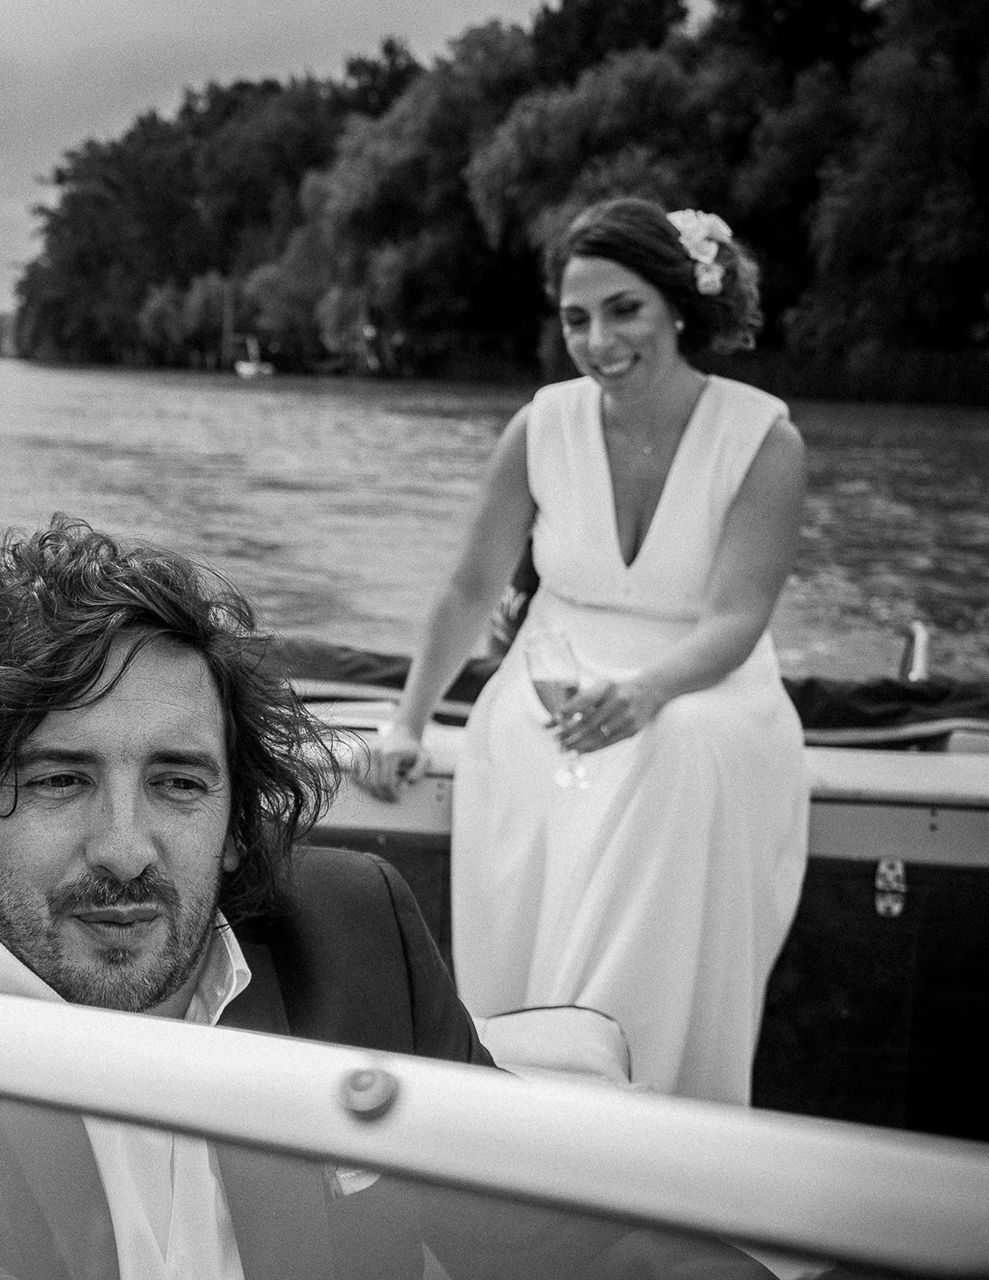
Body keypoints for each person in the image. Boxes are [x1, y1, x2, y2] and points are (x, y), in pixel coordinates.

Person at [0, 514, 772, 1280]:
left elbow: (580, 1240)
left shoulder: (357, 939)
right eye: (62, 779)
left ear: (235, 816)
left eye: (178, 782)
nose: (126, 849)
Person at [351, 198, 810, 1106]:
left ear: (680, 305)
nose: (599, 341)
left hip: (703, 682)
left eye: (624, 309)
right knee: (525, 741)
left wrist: (646, 693)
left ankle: (636, 1091)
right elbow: (469, 590)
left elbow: (738, 617)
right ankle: (532, 1077)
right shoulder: (540, 427)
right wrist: (407, 723)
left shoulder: (765, 439)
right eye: (576, 318)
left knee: (682, 751)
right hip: (551, 677)